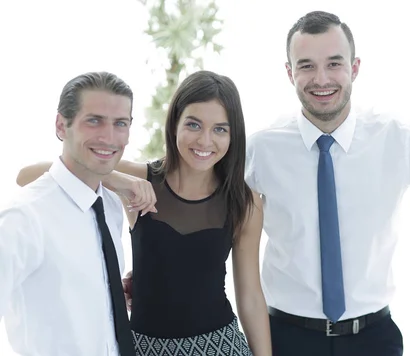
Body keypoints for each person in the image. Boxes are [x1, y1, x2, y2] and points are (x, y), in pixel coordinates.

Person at [243, 11, 410, 356]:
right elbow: (196, 186)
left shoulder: (394, 137)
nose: (321, 79)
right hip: (286, 337)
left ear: (355, 68)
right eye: (307, 66)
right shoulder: (262, 149)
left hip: (373, 339)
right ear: (289, 72)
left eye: (334, 64)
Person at [16, 70, 272, 356]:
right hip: (142, 348)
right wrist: (116, 179)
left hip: (219, 346)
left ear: (233, 135)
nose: (205, 141)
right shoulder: (139, 180)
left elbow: (250, 297)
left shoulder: (244, 201)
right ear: (174, 124)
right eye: (194, 124)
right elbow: (27, 176)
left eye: (220, 129)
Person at [0, 72, 136, 355]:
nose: (109, 137)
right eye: (94, 120)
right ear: (62, 125)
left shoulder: (110, 205)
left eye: (120, 123)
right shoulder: (24, 218)